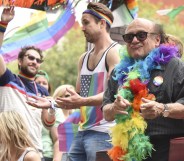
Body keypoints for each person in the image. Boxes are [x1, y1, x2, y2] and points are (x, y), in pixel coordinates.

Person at [27, 2, 122, 161]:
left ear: (101, 23)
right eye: (81, 23)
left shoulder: (114, 53)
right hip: (82, 132)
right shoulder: (83, 58)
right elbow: (78, 98)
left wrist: (82, 100)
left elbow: (113, 95)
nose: (82, 27)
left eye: (86, 22)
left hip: (105, 133)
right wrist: (53, 103)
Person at [102, 18, 184, 161]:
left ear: (157, 40)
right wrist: (114, 108)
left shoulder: (174, 66)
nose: (134, 40)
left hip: (166, 148)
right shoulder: (118, 72)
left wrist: (162, 108)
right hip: (128, 149)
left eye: (141, 35)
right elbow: (106, 113)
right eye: (129, 37)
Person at [0, 7, 56, 160]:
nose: (34, 62)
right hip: (8, 152)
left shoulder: (43, 92)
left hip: (34, 152)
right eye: (30, 58)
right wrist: (3, 23)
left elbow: (48, 124)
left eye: (38, 60)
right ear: (19, 61)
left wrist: (51, 108)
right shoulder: (8, 79)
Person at [35, 70, 63, 161]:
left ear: (48, 87)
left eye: (44, 83)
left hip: (47, 155)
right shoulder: (24, 103)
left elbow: (58, 139)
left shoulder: (54, 107)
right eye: (38, 82)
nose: (41, 85)